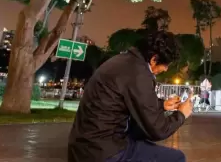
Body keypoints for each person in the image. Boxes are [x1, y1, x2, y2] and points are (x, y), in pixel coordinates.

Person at [68, 31, 193, 162]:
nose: (166, 69)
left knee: (139, 135)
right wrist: (181, 114)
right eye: (166, 65)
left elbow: (131, 101)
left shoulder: (124, 62)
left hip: (84, 145)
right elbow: (158, 130)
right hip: (102, 151)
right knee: (176, 157)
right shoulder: (139, 74)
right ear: (154, 59)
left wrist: (161, 105)